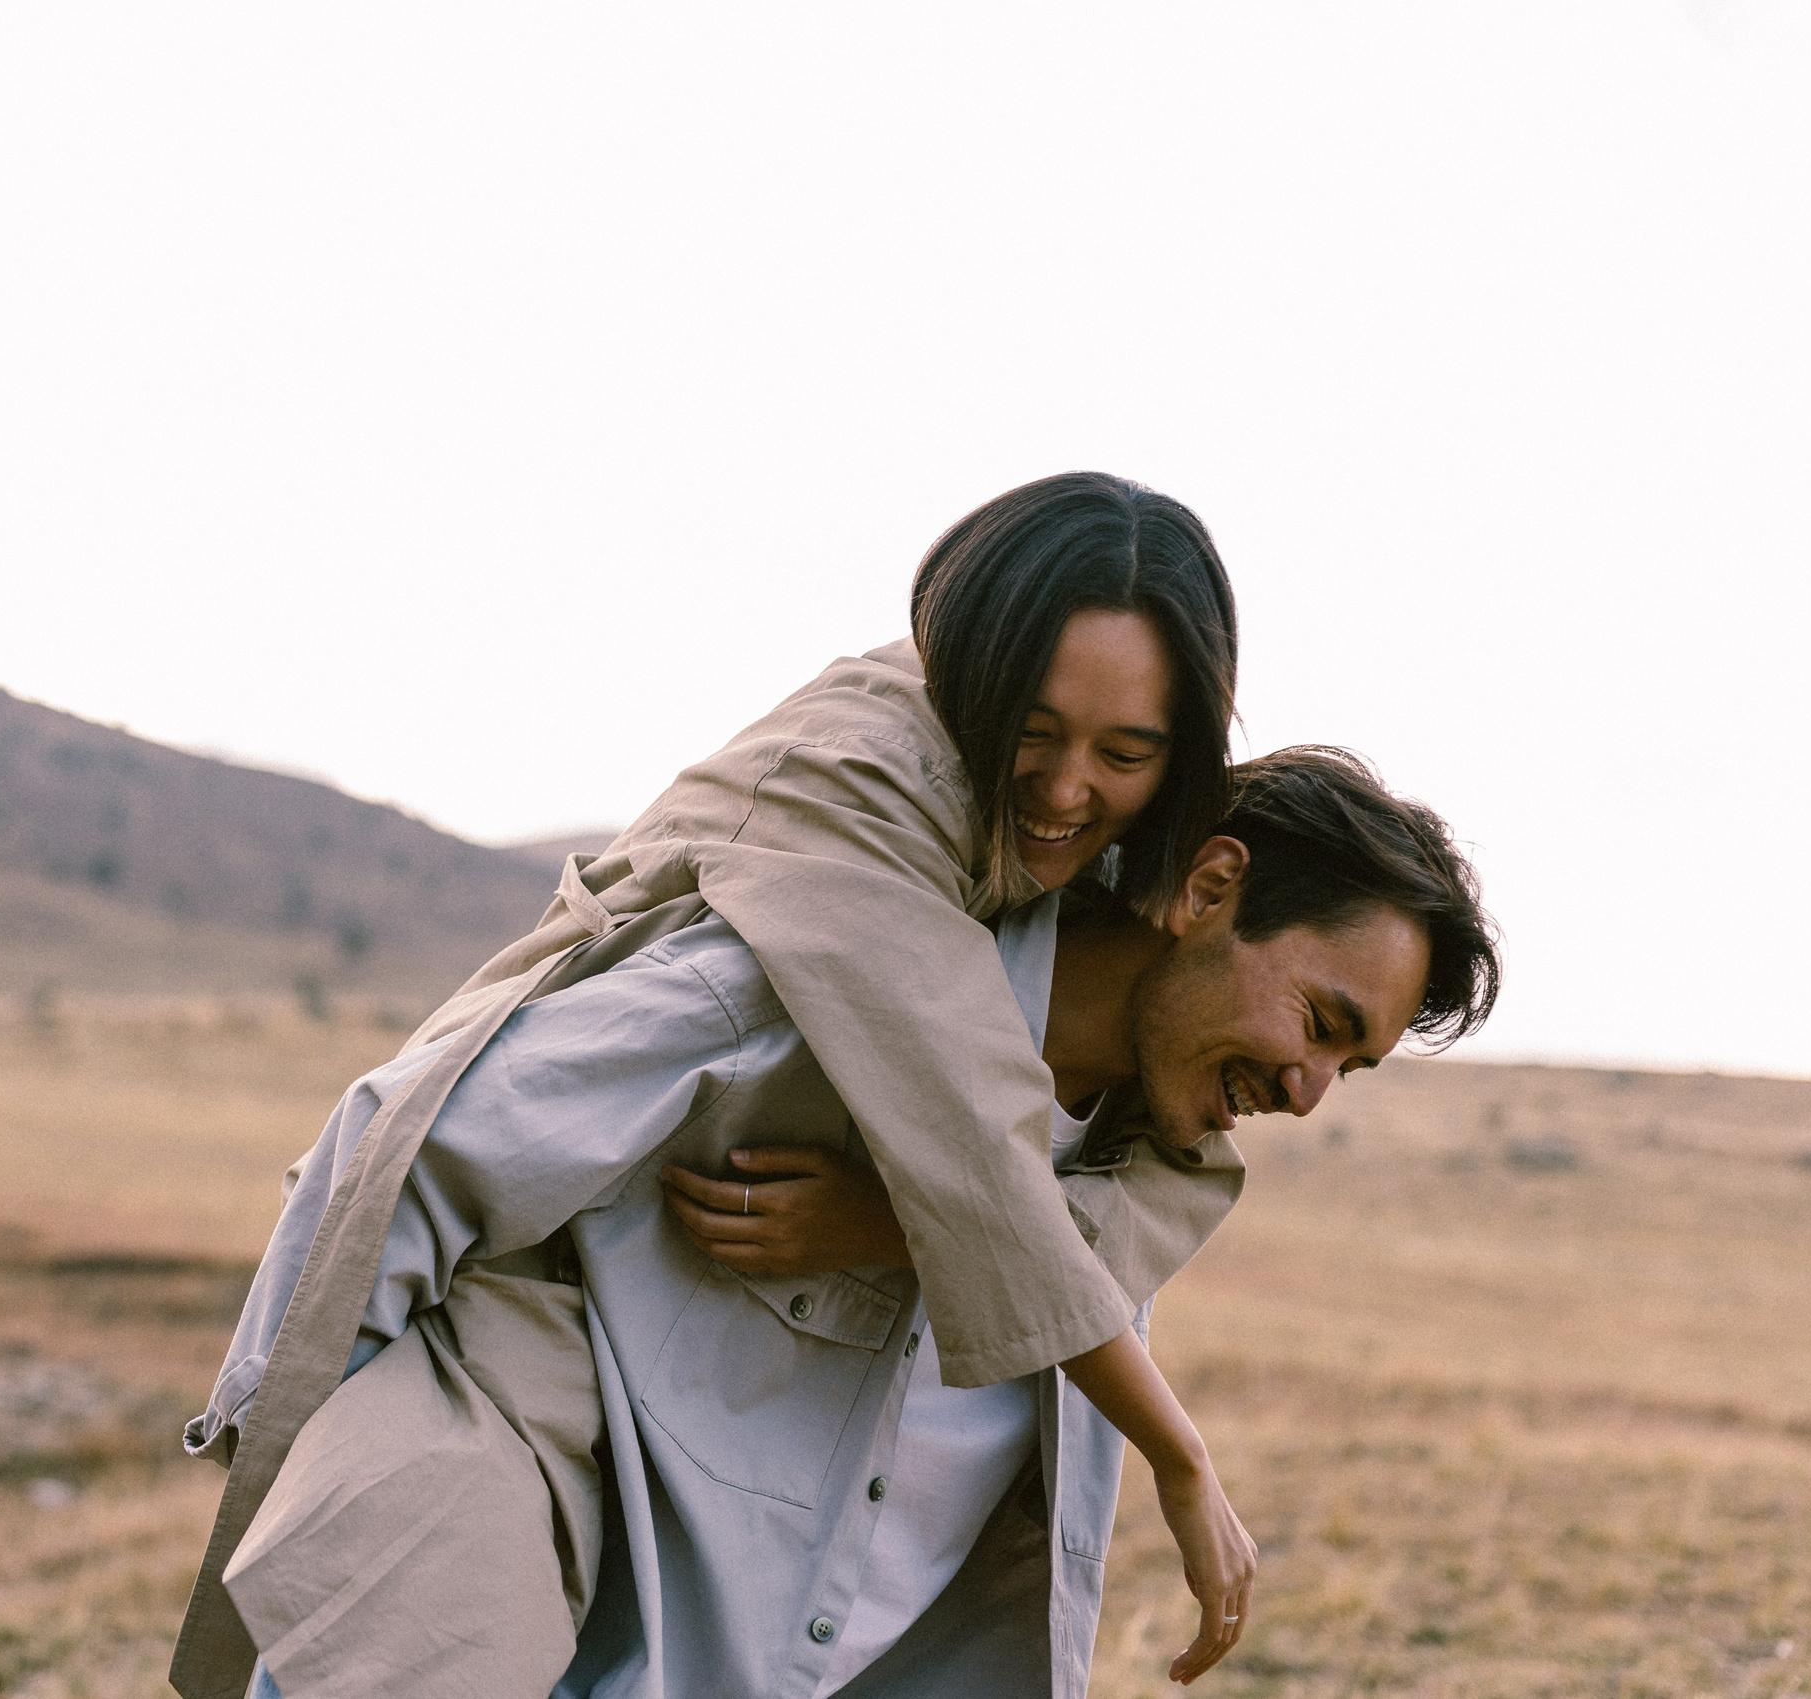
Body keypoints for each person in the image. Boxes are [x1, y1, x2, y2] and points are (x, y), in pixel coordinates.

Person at [172, 472, 1244, 1696]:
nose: (1062, 792)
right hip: (509, 1297)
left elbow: (1119, 1189)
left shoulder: (1095, 913)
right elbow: (978, 1153)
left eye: (1126, 753)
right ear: (970, 680)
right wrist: (314, 1422)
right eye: (1034, 733)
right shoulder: (868, 810)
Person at [204, 748, 1498, 1699]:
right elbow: (409, 1144)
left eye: (1353, 1066)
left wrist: (924, 1225)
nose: (1307, 1090)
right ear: (1210, 886)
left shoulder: (1136, 1188)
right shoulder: (805, 988)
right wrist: (325, 1483)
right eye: (1321, 1022)